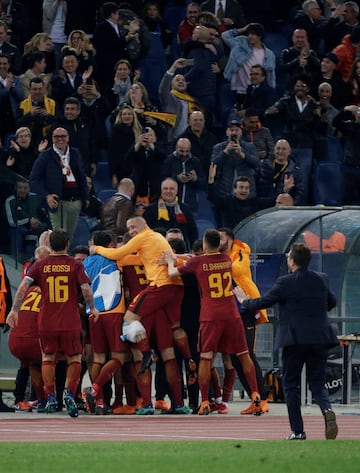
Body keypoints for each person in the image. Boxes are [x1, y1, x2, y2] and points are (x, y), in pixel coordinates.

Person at [237, 242, 339, 440]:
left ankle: (298, 431)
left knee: (291, 385)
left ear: (292, 261)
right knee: (317, 383)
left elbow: (263, 302)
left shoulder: (285, 282)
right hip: (320, 338)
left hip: (294, 339)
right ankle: (327, 410)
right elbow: (331, 303)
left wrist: (244, 301)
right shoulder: (322, 279)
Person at [90, 216, 196, 400]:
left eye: (133, 227)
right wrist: (181, 257)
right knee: (169, 352)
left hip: (146, 303)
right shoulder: (152, 248)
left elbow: (116, 261)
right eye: (129, 229)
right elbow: (159, 259)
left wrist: (96, 249)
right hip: (162, 305)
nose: (132, 231)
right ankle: (179, 396)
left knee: (134, 355)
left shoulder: (123, 258)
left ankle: (142, 402)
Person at [164, 228, 261, 416]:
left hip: (210, 316)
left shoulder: (198, 262)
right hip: (232, 314)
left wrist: (170, 260)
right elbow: (200, 258)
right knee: (243, 355)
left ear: (204, 243)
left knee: (206, 357)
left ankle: (205, 402)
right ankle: (256, 395)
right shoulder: (226, 259)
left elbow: (172, 273)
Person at [6, 228, 100, 418]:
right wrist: (92, 308)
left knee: (47, 357)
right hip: (70, 320)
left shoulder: (41, 265)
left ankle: (50, 397)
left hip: (46, 321)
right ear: (67, 244)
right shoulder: (75, 265)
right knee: (74, 358)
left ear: (51, 245)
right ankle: (70, 395)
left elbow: (24, 286)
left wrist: (14, 310)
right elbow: (86, 289)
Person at [217, 227, 269, 415]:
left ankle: (262, 398)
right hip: (227, 311)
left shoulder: (241, 250)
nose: (218, 241)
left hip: (244, 308)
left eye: (221, 238)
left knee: (247, 354)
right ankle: (253, 397)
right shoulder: (214, 254)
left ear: (230, 240)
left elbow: (238, 268)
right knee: (234, 357)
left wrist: (216, 263)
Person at [82, 230, 129, 415]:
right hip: (113, 310)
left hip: (93, 313)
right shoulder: (117, 259)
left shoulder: (86, 262)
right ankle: (93, 390)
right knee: (120, 357)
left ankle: (100, 403)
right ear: (110, 245)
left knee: (99, 358)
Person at [29, 126, 89, 241]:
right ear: (52, 138)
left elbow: (81, 176)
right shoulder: (46, 155)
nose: (60, 139)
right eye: (56, 136)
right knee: (59, 239)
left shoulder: (75, 153)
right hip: (57, 202)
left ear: (68, 138)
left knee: (69, 238)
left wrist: (85, 197)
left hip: (75, 202)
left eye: (63, 136)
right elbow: (34, 179)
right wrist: (46, 196)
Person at [222, 22, 276, 109]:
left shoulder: (270, 54)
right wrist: (243, 29)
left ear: (260, 36)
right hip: (240, 90)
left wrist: (271, 93)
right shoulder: (240, 44)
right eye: (249, 34)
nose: (250, 36)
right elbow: (225, 35)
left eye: (253, 34)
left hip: (257, 92)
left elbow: (271, 75)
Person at [143, 177, 199, 250]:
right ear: (161, 190)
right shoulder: (151, 209)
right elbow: (146, 233)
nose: (168, 191)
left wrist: (193, 249)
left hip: (181, 250)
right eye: (165, 189)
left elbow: (193, 232)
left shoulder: (185, 209)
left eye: (171, 189)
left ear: (176, 191)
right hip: (158, 249)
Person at [210, 119, 260, 200]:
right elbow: (214, 166)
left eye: (237, 130)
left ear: (241, 132)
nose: (234, 133)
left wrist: (242, 154)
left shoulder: (249, 147)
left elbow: (257, 163)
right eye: (231, 130)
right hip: (225, 192)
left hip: (246, 192)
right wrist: (225, 152)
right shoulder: (218, 147)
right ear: (227, 132)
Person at [5, 179, 49, 260]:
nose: (22, 190)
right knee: (16, 230)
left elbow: (43, 215)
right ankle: (15, 259)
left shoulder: (34, 198)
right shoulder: (10, 201)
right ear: (15, 188)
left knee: (46, 233)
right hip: (19, 228)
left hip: (35, 230)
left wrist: (38, 223)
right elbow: (11, 222)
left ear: (29, 188)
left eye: (25, 188)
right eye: (20, 187)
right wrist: (29, 221)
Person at [162, 137, 206, 213]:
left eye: (187, 151)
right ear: (176, 148)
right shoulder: (169, 160)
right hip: (171, 204)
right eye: (181, 151)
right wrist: (176, 178)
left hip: (190, 205)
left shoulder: (195, 161)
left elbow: (203, 183)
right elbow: (162, 180)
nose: (184, 154)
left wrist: (195, 179)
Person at [255, 139, 305, 205]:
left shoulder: (295, 172)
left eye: (284, 149)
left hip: (283, 208)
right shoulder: (263, 165)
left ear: (289, 152)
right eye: (278, 148)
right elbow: (253, 184)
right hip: (262, 206)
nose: (280, 151)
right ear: (274, 150)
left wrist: (291, 206)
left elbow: (300, 193)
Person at [17, 76, 57, 149]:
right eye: (34, 89)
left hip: (48, 140)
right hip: (29, 141)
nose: (37, 92)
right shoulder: (22, 104)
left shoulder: (52, 103)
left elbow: (59, 121)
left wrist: (48, 116)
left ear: (44, 89)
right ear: (29, 90)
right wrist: (30, 114)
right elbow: (18, 124)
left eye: (40, 89)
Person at [332, 104, 360, 204]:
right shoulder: (349, 126)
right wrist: (344, 110)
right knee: (346, 201)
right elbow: (335, 122)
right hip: (349, 169)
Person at [177, 110, 218, 175]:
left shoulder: (212, 138)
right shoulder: (180, 139)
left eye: (201, 120)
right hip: (189, 176)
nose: (198, 122)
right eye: (195, 120)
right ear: (189, 122)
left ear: (204, 121)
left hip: (208, 176)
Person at [0, 52, 24, 142]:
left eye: (5, 64)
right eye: (0, 64)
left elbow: (21, 97)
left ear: (9, 65)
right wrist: (7, 89)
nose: (2, 66)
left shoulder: (16, 79)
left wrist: (12, 86)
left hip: (13, 119)